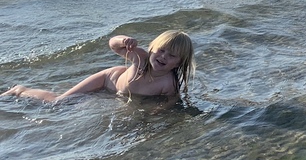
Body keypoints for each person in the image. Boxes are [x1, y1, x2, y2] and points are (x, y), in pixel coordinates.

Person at [2, 31, 194, 105]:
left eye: (171, 55)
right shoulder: (142, 59)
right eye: (161, 50)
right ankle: (20, 90)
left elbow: (170, 101)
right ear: (153, 49)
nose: (163, 57)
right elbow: (113, 45)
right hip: (108, 79)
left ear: (179, 62)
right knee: (58, 103)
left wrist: (156, 115)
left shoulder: (169, 83)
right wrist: (123, 40)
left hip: (119, 93)